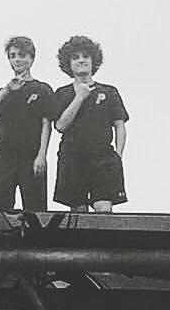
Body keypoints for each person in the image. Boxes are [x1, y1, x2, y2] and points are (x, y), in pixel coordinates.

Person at [52, 34, 128, 212]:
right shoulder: (62, 93)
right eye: (75, 57)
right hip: (73, 158)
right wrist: (80, 97)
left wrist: (118, 156)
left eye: (86, 56)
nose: (81, 60)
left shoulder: (109, 92)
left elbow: (120, 125)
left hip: (103, 158)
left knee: (104, 208)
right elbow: (60, 126)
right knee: (78, 211)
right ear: (68, 63)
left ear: (94, 61)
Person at [0, 35, 56, 211]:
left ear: (31, 58)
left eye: (22, 55)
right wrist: (7, 89)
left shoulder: (42, 89)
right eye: (12, 56)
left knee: (35, 209)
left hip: (31, 154)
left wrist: (42, 155)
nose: (17, 60)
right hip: (4, 155)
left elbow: (47, 124)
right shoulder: (2, 91)